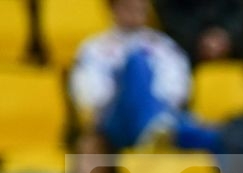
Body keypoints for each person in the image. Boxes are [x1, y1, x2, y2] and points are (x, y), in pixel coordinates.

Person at [69, 0, 202, 152]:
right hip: (116, 122)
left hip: (162, 114)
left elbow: (178, 90)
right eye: (128, 7)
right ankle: (152, 128)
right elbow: (91, 96)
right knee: (137, 60)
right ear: (113, 8)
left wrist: (151, 105)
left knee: (210, 136)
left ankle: (153, 128)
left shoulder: (164, 46)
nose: (135, 12)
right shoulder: (95, 48)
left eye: (141, 7)